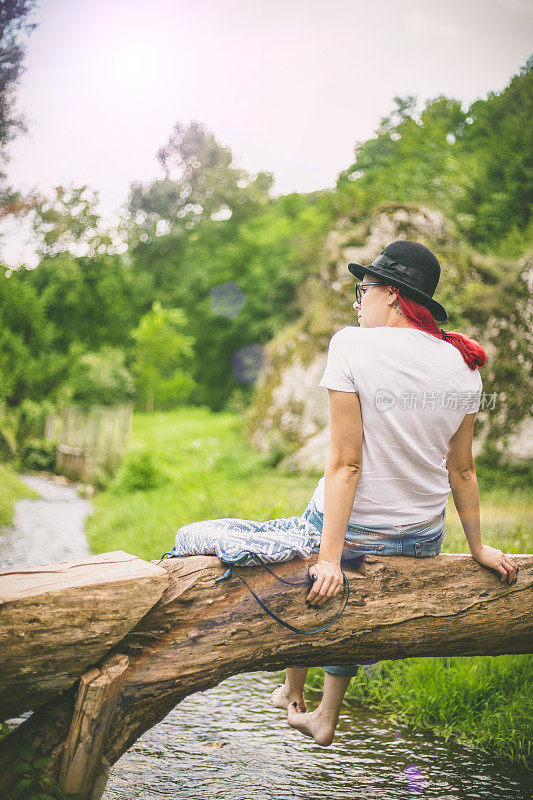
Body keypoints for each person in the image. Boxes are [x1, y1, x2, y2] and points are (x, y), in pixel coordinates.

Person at [270, 239, 519, 747]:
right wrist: (476, 547)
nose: (358, 303)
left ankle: (293, 691)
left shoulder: (351, 346)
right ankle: (325, 712)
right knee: (338, 556)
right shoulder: (463, 363)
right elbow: (463, 471)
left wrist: (331, 559)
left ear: (391, 294)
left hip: (357, 535)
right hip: (422, 538)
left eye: (363, 291)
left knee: (309, 547)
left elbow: (346, 464)